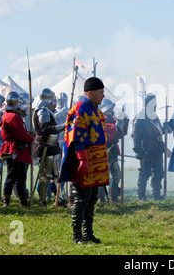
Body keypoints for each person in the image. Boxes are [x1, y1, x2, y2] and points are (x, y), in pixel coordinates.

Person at [59, 77, 109, 244]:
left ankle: (88, 233)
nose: (103, 95)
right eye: (101, 92)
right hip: (84, 162)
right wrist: (83, 160)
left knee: (92, 197)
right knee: (81, 198)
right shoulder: (81, 109)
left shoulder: (96, 111)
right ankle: (76, 235)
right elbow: (77, 137)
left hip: (95, 163)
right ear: (90, 93)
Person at [0, 92, 34, 207]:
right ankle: (7, 200)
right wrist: (31, 139)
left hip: (17, 147)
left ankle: (22, 199)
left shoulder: (8, 114)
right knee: (13, 175)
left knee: (20, 175)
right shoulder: (13, 117)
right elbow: (20, 134)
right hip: (15, 148)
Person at [33, 88, 64, 207]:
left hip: (52, 147)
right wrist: (63, 126)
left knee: (56, 175)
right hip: (46, 147)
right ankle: (42, 201)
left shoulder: (46, 111)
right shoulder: (43, 111)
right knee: (45, 176)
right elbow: (45, 128)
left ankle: (59, 200)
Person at [132, 93, 165, 202]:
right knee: (145, 173)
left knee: (159, 172)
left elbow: (160, 131)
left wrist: (166, 127)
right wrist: (137, 150)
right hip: (146, 148)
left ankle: (156, 194)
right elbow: (136, 134)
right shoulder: (140, 116)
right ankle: (141, 195)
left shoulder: (155, 116)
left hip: (157, 149)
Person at [99, 98, 122, 202]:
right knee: (103, 175)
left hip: (112, 150)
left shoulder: (112, 118)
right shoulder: (100, 118)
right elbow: (109, 131)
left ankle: (113, 197)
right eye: (110, 107)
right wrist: (117, 125)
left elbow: (120, 134)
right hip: (103, 149)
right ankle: (101, 197)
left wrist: (123, 122)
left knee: (116, 174)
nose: (112, 109)